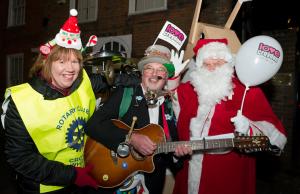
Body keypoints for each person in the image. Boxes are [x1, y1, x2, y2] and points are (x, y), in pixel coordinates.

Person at [0, 9, 125, 194]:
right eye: (62, 62)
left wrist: (142, 79)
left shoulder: (83, 83)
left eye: (75, 61)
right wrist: (73, 175)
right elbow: (20, 158)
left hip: (86, 179)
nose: (70, 69)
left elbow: (113, 79)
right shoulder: (20, 102)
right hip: (44, 187)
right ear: (47, 63)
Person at [170, 38, 287, 194]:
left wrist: (249, 128)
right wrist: (171, 78)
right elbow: (169, 109)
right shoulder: (189, 90)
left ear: (228, 65)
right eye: (206, 64)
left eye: (218, 63)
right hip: (188, 173)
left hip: (226, 177)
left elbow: (278, 137)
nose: (212, 69)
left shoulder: (248, 92)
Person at [85, 44, 191, 194]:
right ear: (142, 73)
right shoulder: (125, 94)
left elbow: (169, 154)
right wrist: (131, 138)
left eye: (161, 69)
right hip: (117, 178)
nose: (154, 74)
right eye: (149, 68)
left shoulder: (169, 105)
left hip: (151, 184)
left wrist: (176, 156)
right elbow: (93, 125)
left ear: (166, 77)